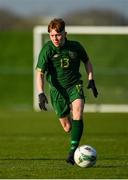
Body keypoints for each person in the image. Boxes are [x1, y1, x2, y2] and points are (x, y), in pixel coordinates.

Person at [36, 18, 98, 165]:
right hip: (57, 90)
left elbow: (87, 61)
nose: (55, 38)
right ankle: (75, 138)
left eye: (58, 35)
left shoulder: (75, 47)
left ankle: (72, 152)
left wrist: (91, 79)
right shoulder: (47, 50)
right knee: (67, 127)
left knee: (78, 111)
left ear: (65, 33)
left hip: (74, 86)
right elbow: (40, 73)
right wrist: (40, 93)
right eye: (52, 35)